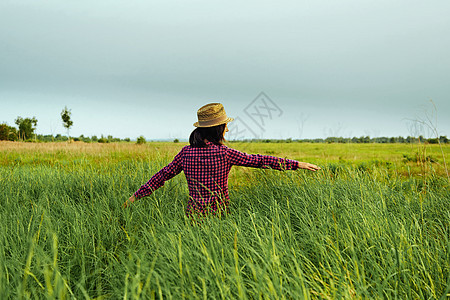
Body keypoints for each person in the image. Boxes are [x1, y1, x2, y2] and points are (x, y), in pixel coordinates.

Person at [124, 103, 320, 217]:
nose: (227, 129)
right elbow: (259, 160)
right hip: (219, 215)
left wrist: (135, 196)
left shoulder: (185, 153)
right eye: (225, 125)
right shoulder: (224, 153)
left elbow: (161, 176)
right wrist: (296, 164)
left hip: (193, 217)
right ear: (217, 128)